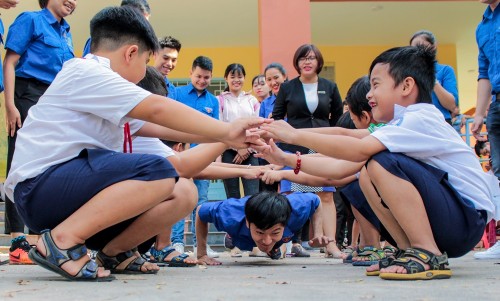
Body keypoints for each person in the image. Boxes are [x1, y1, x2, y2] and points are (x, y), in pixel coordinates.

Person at [4, 6, 267, 281]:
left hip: (59, 194)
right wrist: (226, 131)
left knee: (183, 191)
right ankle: (60, 242)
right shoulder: (87, 72)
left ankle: (114, 252)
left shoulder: (105, 96)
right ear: (131, 53)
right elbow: (156, 109)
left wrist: (230, 135)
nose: (143, 75)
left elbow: (163, 127)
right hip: (38, 190)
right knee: (159, 172)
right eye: (145, 63)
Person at [257, 45, 498, 280]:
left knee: (378, 162)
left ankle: (427, 252)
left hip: (465, 221)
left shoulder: (420, 118)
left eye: (375, 84)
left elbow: (358, 149)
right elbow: (341, 168)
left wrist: (294, 135)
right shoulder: (402, 124)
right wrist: (285, 158)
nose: (369, 94)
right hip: (456, 223)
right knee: (367, 171)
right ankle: (410, 250)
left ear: (406, 85)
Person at [132, 66, 264, 266]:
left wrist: (245, 165)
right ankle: (131, 249)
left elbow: (193, 149)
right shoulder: (133, 130)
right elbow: (188, 167)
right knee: (179, 184)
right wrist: (229, 140)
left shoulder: (144, 130)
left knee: (179, 182)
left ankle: (156, 247)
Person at [2, 0, 76, 265]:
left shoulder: (66, 33)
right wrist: (10, 105)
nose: (72, 1)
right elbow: (10, 62)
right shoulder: (30, 19)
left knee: (46, 166)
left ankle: (37, 239)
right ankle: (17, 240)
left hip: (52, 101)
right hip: (27, 93)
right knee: (20, 162)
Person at [272, 44, 343, 258]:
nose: (307, 62)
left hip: (322, 145)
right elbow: (277, 117)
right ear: (297, 63)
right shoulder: (288, 87)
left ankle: (330, 244)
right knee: (290, 195)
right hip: (294, 147)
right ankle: (281, 244)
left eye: (312, 58)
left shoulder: (330, 86)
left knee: (326, 196)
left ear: (319, 62)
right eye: (303, 58)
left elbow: (338, 118)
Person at [195, 191, 334, 265]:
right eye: (260, 232)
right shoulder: (230, 213)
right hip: (240, 234)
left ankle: (271, 244)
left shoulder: (296, 208)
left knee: (271, 243)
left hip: (273, 234)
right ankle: (234, 237)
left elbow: (316, 200)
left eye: (275, 232)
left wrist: (317, 233)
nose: (267, 240)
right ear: (248, 222)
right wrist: (202, 254)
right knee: (250, 240)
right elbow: (201, 211)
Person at [171, 56, 221, 258]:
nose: (202, 80)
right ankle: (176, 243)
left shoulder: (213, 101)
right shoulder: (177, 93)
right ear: (191, 73)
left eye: (207, 77)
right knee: (179, 196)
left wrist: (216, 157)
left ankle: (200, 244)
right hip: (180, 155)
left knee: (201, 200)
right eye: (199, 76)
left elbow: (216, 131)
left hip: (203, 157)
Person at [471, 0, 500, 260]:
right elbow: (485, 72)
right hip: (497, 104)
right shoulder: (482, 27)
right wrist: (479, 112)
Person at [219, 63, 260, 199]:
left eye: (240, 76)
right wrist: (236, 147)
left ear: (244, 78)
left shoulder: (251, 100)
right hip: (228, 153)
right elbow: (220, 127)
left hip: (250, 152)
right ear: (226, 78)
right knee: (232, 197)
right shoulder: (220, 100)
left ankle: (251, 221)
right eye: (232, 76)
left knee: (253, 196)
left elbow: (258, 126)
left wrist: (246, 149)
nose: (236, 80)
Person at [410, 30, 459, 124]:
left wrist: (432, 79)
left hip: (440, 121)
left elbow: (452, 106)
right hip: (415, 122)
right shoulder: (408, 73)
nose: (418, 52)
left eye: (422, 46)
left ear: (434, 46)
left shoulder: (445, 70)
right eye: (414, 49)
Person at [82, 0, 150, 56]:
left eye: (146, 24)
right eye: (139, 23)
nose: (142, 29)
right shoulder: (99, 40)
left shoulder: (141, 47)